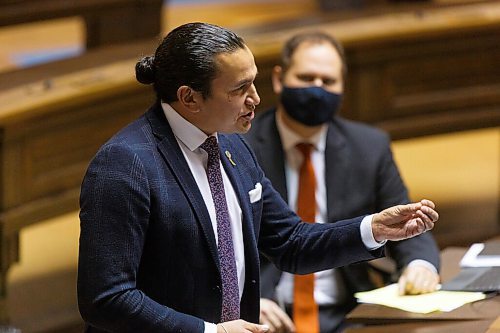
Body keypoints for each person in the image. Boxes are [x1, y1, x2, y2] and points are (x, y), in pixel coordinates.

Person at [77, 22, 439, 333]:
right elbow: (106, 298)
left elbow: (292, 242)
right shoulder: (124, 164)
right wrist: (208, 331)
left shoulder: (233, 147)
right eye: (239, 89)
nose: (256, 98)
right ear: (189, 98)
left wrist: (374, 228)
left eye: (254, 83)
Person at [244, 31, 440, 333]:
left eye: (328, 82)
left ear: (343, 86)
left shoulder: (369, 147)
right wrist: (247, 300)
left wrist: (420, 267)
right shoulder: (240, 147)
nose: (317, 89)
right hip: (267, 313)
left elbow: (406, 225)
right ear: (280, 79)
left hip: (349, 313)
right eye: (306, 78)